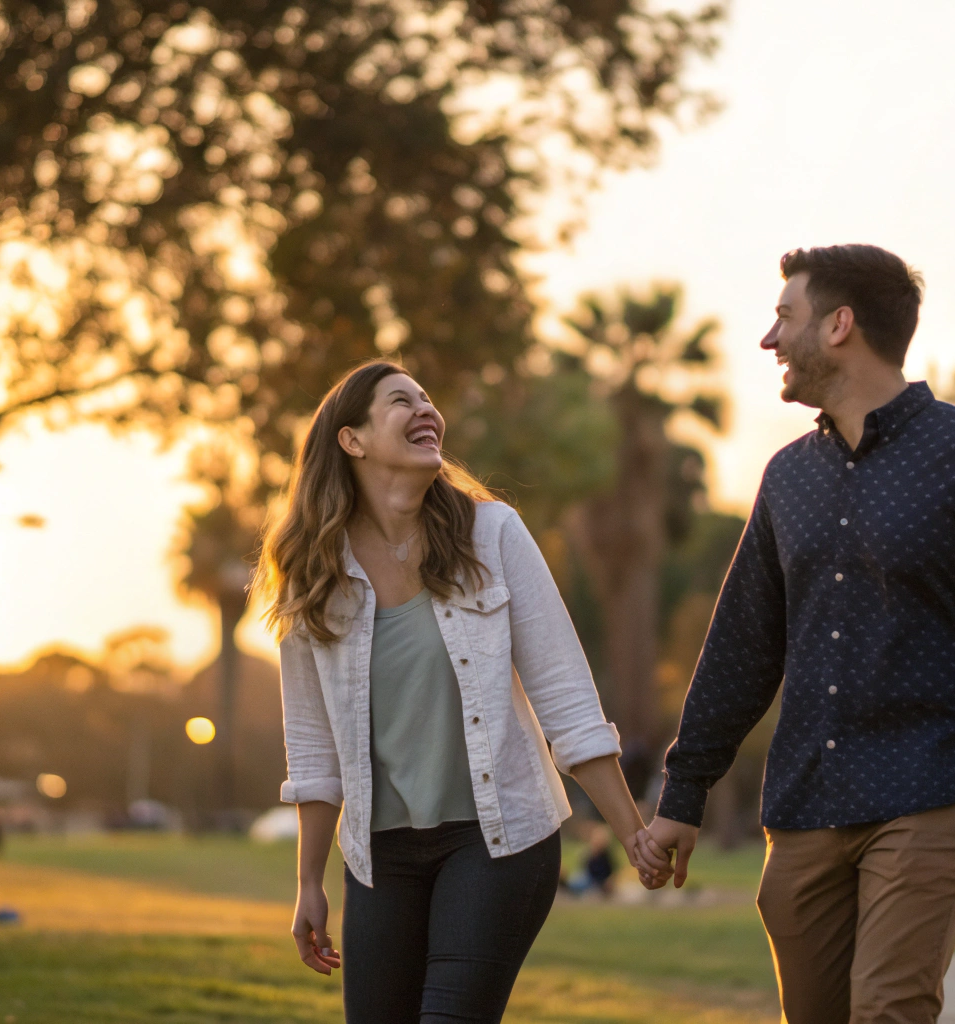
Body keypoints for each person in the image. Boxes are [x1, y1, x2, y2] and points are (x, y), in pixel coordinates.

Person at [638, 245, 955, 1024]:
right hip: (806, 805)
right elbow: (743, 647)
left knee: (890, 1008)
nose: (769, 339)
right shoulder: (788, 476)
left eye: (786, 316)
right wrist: (684, 794)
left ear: (840, 325)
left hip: (932, 791)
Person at [256, 360, 665, 1023]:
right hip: (379, 856)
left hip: (498, 841)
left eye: (427, 399)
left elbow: (567, 700)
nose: (426, 410)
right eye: (400, 402)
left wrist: (632, 834)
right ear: (351, 439)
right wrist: (307, 883)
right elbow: (311, 751)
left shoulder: (492, 534)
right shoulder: (313, 574)